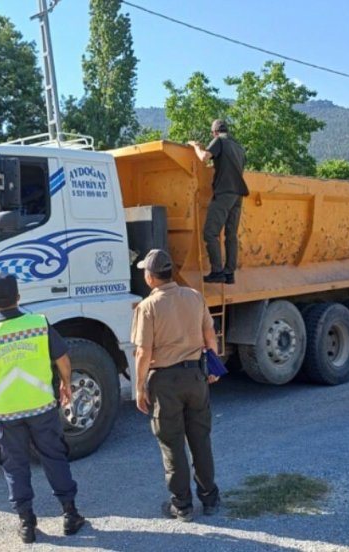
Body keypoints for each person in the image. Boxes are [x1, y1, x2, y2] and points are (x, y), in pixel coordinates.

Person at [0, 273, 86, 543]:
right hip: (41, 407)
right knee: (54, 458)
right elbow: (62, 358)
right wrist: (65, 383)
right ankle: (70, 514)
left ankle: (26, 523)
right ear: (19, 297)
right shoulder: (39, 324)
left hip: (7, 414)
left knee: (15, 466)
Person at [131, 249, 221, 521]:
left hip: (165, 382)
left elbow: (143, 352)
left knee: (172, 444)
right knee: (200, 440)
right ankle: (210, 499)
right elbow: (209, 335)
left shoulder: (148, 307)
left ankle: (182, 506)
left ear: (150, 277)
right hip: (195, 378)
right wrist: (213, 367)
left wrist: (139, 387)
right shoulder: (194, 296)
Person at [188, 119, 249, 285]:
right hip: (238, 194)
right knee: (231, 235)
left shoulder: (219, 141)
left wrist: (196, 146)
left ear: (215, 132)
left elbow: (204, 158)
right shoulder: (239, 148)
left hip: (224, 193)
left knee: (210, 232)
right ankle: (229, 273)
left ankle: (217, 271)